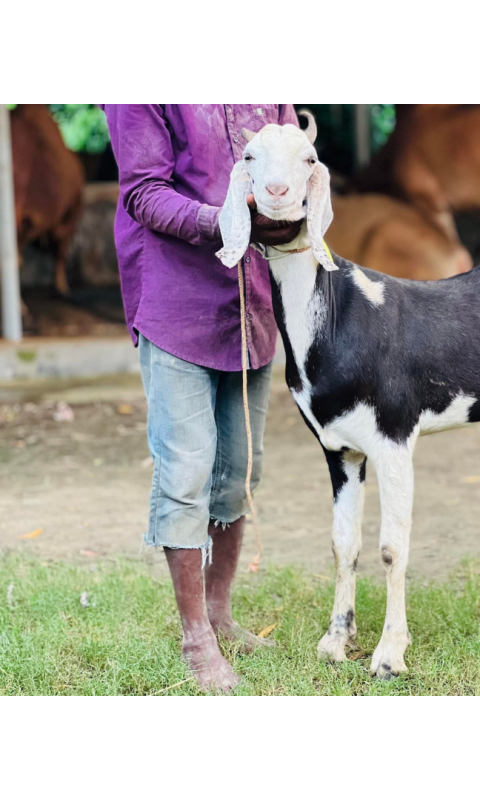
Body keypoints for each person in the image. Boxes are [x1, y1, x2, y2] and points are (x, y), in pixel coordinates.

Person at [104, 105, 302, 692]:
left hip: (250, 304)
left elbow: (290, 151)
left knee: (240, 470)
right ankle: (195, 637)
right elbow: (144, 192)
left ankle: (219, 614)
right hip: (175, 298)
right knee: (186, 471)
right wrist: (226, 222)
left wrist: (294, 207)